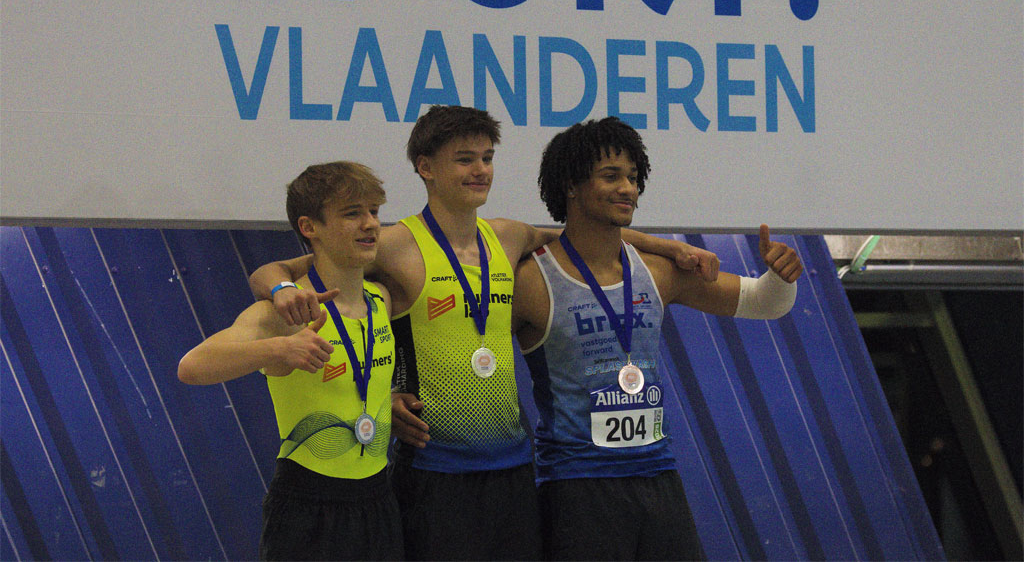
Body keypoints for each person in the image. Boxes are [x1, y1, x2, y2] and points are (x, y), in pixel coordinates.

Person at [248, 105, 721, 560]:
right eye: (464, 159)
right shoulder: (392, 244)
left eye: (487, 158)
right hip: (435, 468)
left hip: (513, 470)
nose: (480, 170)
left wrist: (668, 248)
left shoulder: (509, 236)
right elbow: (280, 269)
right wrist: (284, 290)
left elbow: (586, 233)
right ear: (426, 167)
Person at [513, 117, 803, 561]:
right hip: (577, 488)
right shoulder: (530, 279)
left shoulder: (658, 271)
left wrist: (781, 277)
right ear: (571, 184)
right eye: (611, 176)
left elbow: (764, 301)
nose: (627, 188)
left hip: (659, 481)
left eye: (632, 177)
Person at [177, 161, 403, 561]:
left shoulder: (380, 299)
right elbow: (192, 366)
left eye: (374, 211)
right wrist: (278, 350)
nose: (370, 223)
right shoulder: (285, 312)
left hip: (378, 499)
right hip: (308, 505)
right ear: (309, 226)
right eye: (352, 213)